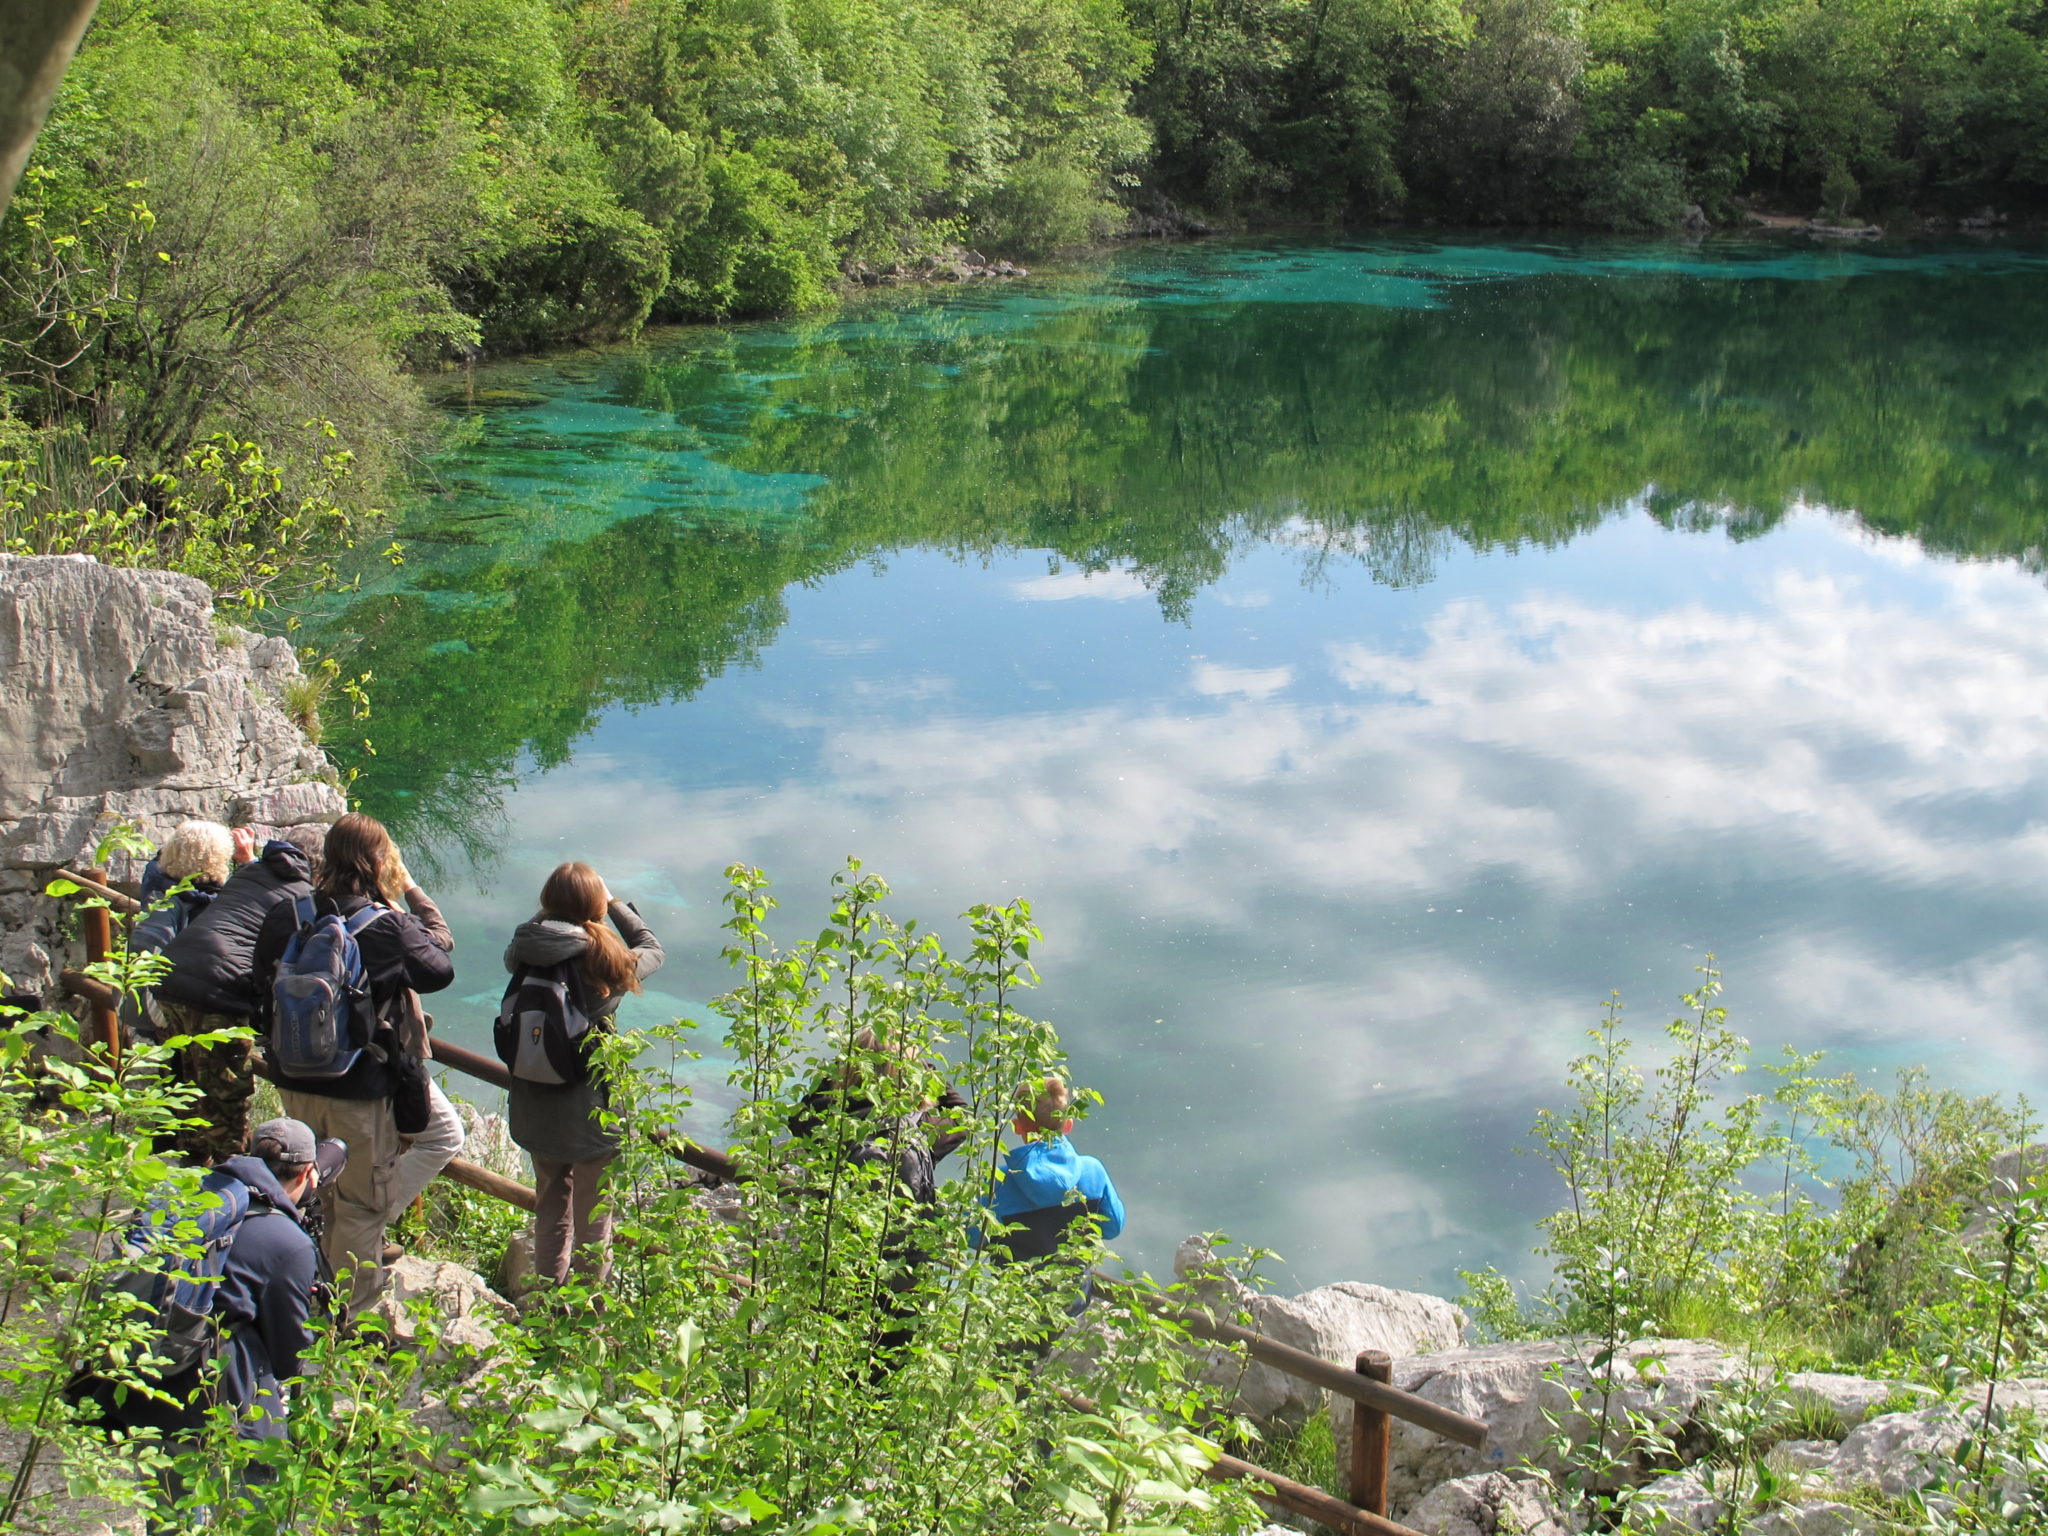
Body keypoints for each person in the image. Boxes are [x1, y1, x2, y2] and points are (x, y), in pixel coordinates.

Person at [253, 814, 456, 1312]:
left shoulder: (292, 914)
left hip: (294, 1076)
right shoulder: (387, 926)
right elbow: (440, 968)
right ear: (381, 863)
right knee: (362, 1209)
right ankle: (344, 1332)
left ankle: (300, 1283)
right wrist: (407, 893)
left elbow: (261, 980)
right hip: (359, 1088)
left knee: (309, 1180)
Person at [78, 1116, 338, 1449]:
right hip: (209, 1407)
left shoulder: (196, 1193)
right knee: (257, 1475)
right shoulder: (289, 1243)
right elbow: (289, 1359)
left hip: (138, 1388)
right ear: (305, 1173)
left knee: (163, 1491)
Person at [503, 862, 663, 1289]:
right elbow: (652, 947)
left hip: (534, 1101)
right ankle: (586, 1311)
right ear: (594, 906)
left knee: (550, 1204)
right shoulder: (604, 960)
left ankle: (548, 1297)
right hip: (591, 1110)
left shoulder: (524, 949)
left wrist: (547, 912)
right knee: (595, 1216)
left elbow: (532, 932)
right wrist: (612, 904)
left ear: (546, 902)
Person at [151, 829, 319, 1165]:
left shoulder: (253, 871)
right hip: (217, 990)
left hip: (170, 972)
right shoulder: (304, 897)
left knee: (188, 1077)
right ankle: (233, 1176)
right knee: (227, 1091)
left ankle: (192, 1161)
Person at [978, 1076, 1125, 1315]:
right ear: (1068, 1125)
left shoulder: (998, 1181)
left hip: (1013, 1307)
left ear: (1017, 1126)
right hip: (1072, 1304)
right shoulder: (1092, 1171)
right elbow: (1113, 1228)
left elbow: (974, 1238)